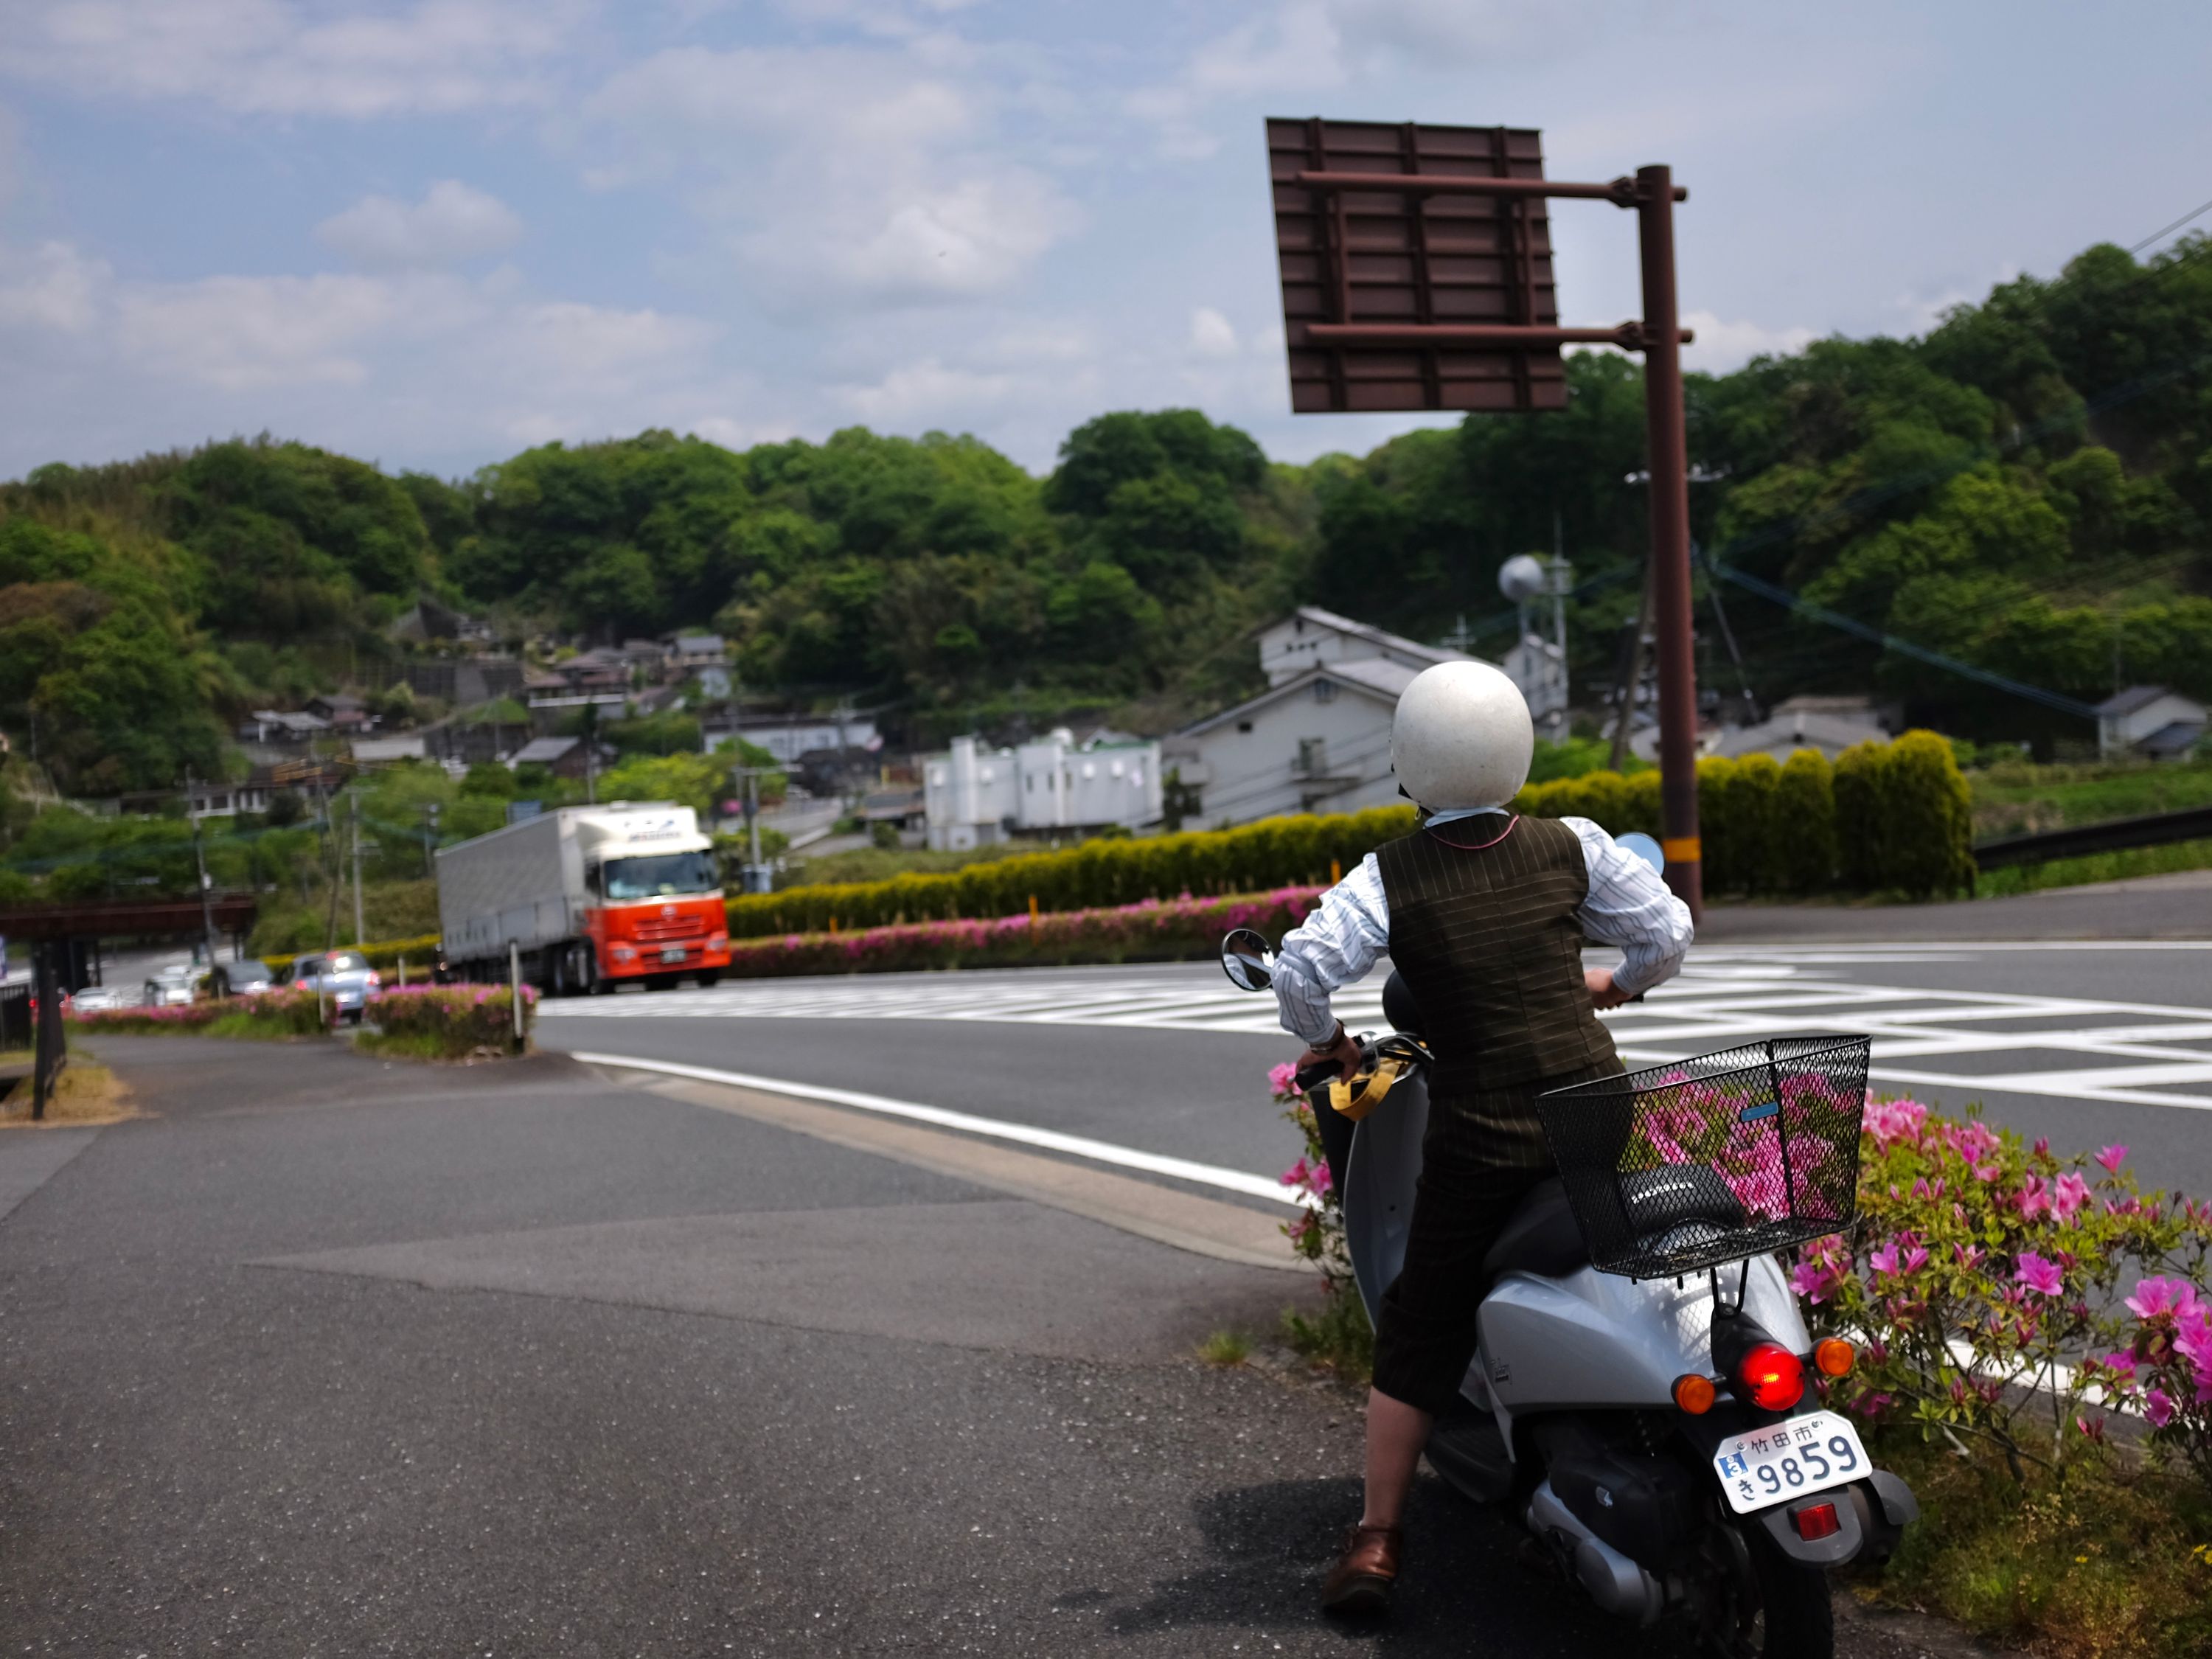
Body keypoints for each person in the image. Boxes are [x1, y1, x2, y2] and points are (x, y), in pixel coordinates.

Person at [1270, 660, 1693, 1618]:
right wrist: (1612, 988)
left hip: (1487, 1135)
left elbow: (1300, 974)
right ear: (1518, 750)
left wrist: (1335, 1047)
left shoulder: (1389, 873)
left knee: (1422, 1320)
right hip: (1597, 1109)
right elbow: (1666, 931)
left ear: (1408, 764)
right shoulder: (1571, 843)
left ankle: (1377, 1539)